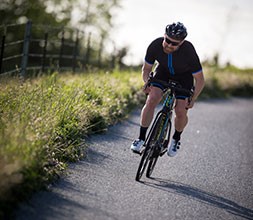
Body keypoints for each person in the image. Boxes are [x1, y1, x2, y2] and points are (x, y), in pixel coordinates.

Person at [130, 22, 205, 157]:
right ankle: (141, 138)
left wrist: (193, 98)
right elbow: (146, 69)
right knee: (152, 99)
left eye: (174, 43)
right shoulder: (155, 45)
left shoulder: (188, 51)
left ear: (181, 43)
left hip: (184, 77)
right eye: (168, 41)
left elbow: (200, 80)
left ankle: (176, 138)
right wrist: (147, 82)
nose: (170, 45)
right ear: (164, 36)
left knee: (180, 110)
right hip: (163, 72)